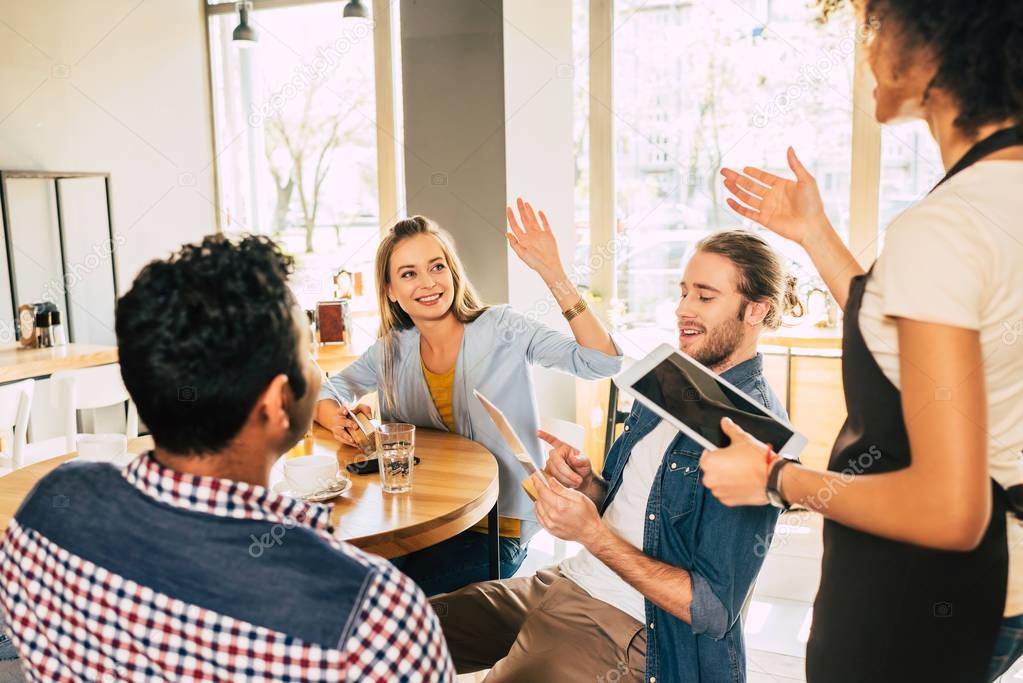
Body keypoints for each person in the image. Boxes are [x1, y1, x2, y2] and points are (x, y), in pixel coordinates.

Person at [704, 1, 1023, 680]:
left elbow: (949, 509)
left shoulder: (943, 227)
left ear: (933, 43)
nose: (866, 52)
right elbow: (915, 341)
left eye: (875, 27)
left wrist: (775, 480)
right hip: (1001, 585)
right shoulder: (997, 200)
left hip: (917, 588)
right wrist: (816, 235)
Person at [0, 235, 454, 682]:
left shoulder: (47, 509)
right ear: (277, 404)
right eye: (307, 356)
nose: (318, 373)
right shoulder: (374, 616)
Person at [431, 230, 801, 683]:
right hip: (565, 581)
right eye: (684, 292)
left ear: (756, 310)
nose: (683, 309)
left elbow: (712, 610)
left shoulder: (756, 433)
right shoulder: (667, 381)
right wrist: (587, 485)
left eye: (705, 297)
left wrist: (591, 534)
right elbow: (629, 507)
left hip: (633, 627)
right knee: (399, 629)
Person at [315, 202, 622, 594]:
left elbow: (602, 362)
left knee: (388, 600)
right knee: (343, 581)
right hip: (416, 523)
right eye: (409, 274)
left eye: (437, 266)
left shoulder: (501, 328)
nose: (428, 283)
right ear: (391, 291)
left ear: (452, 271)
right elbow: (330, 391)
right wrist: (335, 417)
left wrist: (552, 272)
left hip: (497, 530)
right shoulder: (390, 350)